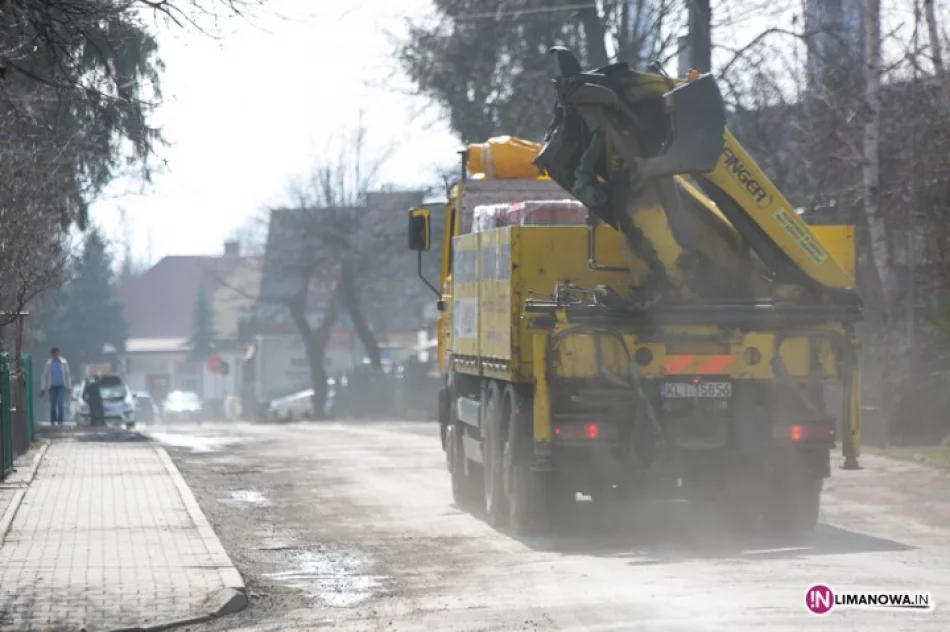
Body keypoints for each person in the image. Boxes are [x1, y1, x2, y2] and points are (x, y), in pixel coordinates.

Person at [40, 347, 72, 426]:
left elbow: (67, 375)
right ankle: (53, 420)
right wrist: (43, 388)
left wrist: (69, 387)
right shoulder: (48, 364)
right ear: (52, 355)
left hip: (61, 386)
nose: (55, 355)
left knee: (60, 403)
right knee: (53, 404)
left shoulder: (64, 363)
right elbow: (45, 376)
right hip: (52, 386)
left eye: (57, 353)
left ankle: (60, 420)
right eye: (54, 354)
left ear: (59, 354)